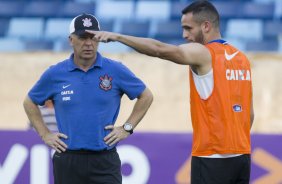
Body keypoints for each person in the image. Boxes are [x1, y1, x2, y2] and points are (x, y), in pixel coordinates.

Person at [87, 1, 254, 183]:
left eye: (188, 28)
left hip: (211, 156)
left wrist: (118, 37)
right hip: (242, 156)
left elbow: (160, 50)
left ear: (206, 26)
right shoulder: (241, 59)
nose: (184, 35)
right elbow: (249, 114)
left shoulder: (204, 53)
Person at [23, 13, 153, 184]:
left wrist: (127, 128)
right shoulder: (55, 73)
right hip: (68, 160)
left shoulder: (115, 70)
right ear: (71, 40)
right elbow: (29, 101)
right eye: (82, 37)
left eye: (93, 37)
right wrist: (45, 134)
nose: (89, 43)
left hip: (105, 160)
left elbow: (146, 96)